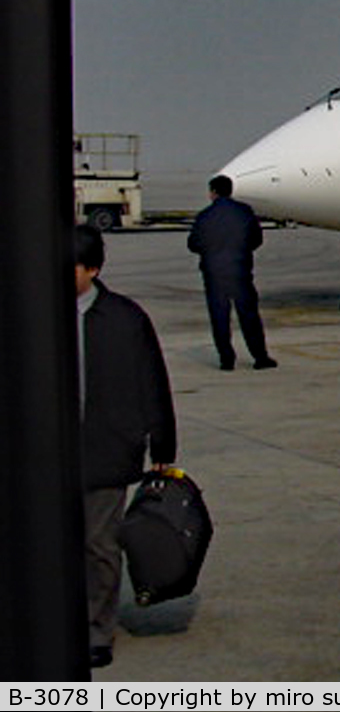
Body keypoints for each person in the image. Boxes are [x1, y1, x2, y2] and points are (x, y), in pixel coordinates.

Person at [76, 224, 177, 669]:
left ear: (93, 268)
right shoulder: (32, 310)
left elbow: (151, 380)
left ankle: (97, 629)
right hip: (45, 455)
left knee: (99, 545)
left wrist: (162, 441)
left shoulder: (124, 318)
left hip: (106, 449)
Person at [188, 174, 276, 370]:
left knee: (220, 317)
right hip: (240, 271)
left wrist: (211, 250)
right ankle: (260, 357)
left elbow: (193, 244)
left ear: (213, 192)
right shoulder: (244, 212)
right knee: (249, 315)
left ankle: (226, 359)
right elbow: (256, 239)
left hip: (214, 274)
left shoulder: (205, 216)